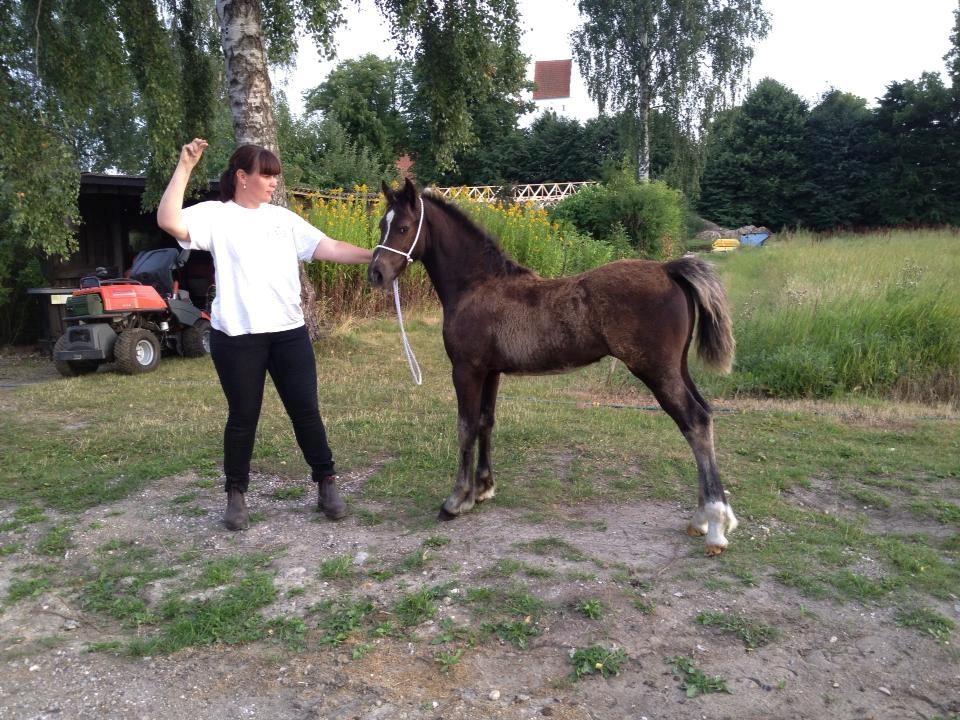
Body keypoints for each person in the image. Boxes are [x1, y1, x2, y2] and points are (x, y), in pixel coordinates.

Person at [157, 138, 373, 530]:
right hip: (237, 336)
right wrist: (185, 166)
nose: (274, 182)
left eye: (276, 175)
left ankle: (326, 482)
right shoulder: (215, 215)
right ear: (242, 177)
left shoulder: (283, 219)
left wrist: (378, 256)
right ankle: (236, 494)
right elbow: (169, 220)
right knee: (243, 416)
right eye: (266, 175)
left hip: (288, 334)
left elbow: (330, 246)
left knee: (305, 411)